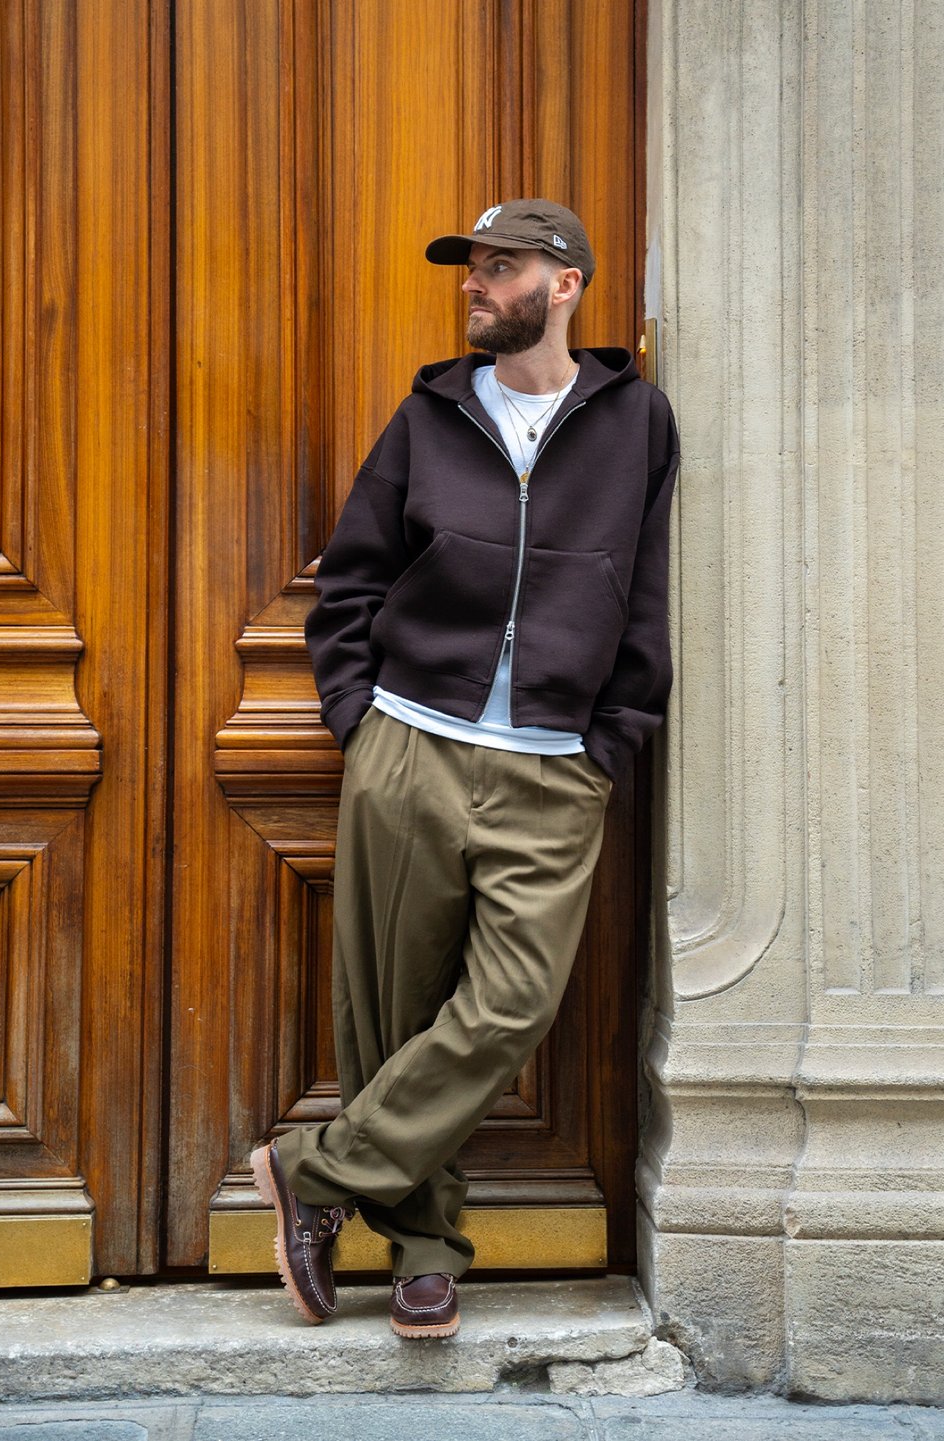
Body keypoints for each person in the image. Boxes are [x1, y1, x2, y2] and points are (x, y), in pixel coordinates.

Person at [251, 199, 680, 1340]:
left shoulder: (636, 421)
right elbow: (351, 576)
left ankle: (318, 1168)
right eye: (472, 268)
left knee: (509, 1004)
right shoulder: (429, 412)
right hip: (411, 743)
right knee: (397, 1013)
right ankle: (425, 1248)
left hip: (552, 765)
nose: (474, 286)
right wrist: (360, 715)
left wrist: (610, 738)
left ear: (566, 283)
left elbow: (646, 589)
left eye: (499, 268)